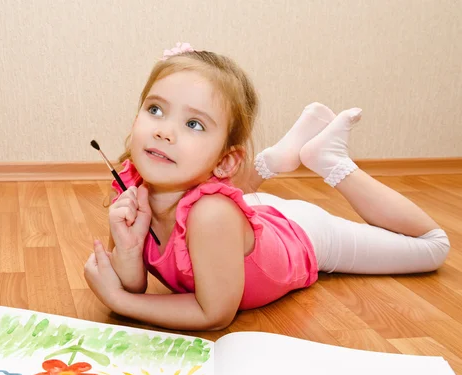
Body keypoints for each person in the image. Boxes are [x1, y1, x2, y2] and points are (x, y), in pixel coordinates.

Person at [84, 42, 450, 331]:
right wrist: (129, 253)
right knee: (214, 201)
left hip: (302, 234)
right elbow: (134, 284)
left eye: (194, 124)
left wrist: (120, 302)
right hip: (248, 216)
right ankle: (276, 159)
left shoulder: (211, 216)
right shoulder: (131, 183)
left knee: (433, 246)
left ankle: (332, 161)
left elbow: (213, 313)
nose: (163, 130)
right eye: (155, 109)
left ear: (226, 161)